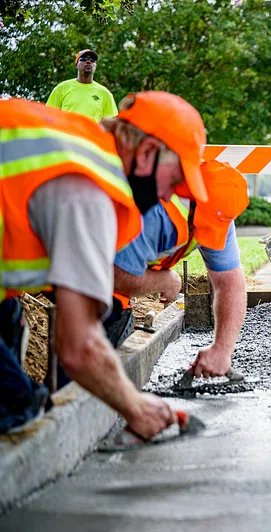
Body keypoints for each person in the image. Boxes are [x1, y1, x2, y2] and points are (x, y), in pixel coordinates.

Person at [0, 91, 208, 438]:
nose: (168, 196)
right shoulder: (90, 190)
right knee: (16, 406)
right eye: (172, 182)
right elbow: (78, 346)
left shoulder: (76, 143)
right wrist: (137, 407)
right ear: (145, 154)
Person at [112, 160, 249, 377]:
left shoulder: (217, 211)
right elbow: (112, 274)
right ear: (194, 200)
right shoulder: (153, 211)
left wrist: (222, 350)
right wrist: (165, 281)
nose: (205, 233)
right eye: (204, 225)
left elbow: (230, 283)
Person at [46, 49, 118, 122]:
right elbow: (48, 116)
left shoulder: (105, 93)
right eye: (83, 59)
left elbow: (112, 123)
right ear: (76, 65)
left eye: (92, 60)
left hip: (90, 133)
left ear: (95, 66)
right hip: (66, 133)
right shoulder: (61, 88)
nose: (88, 61)